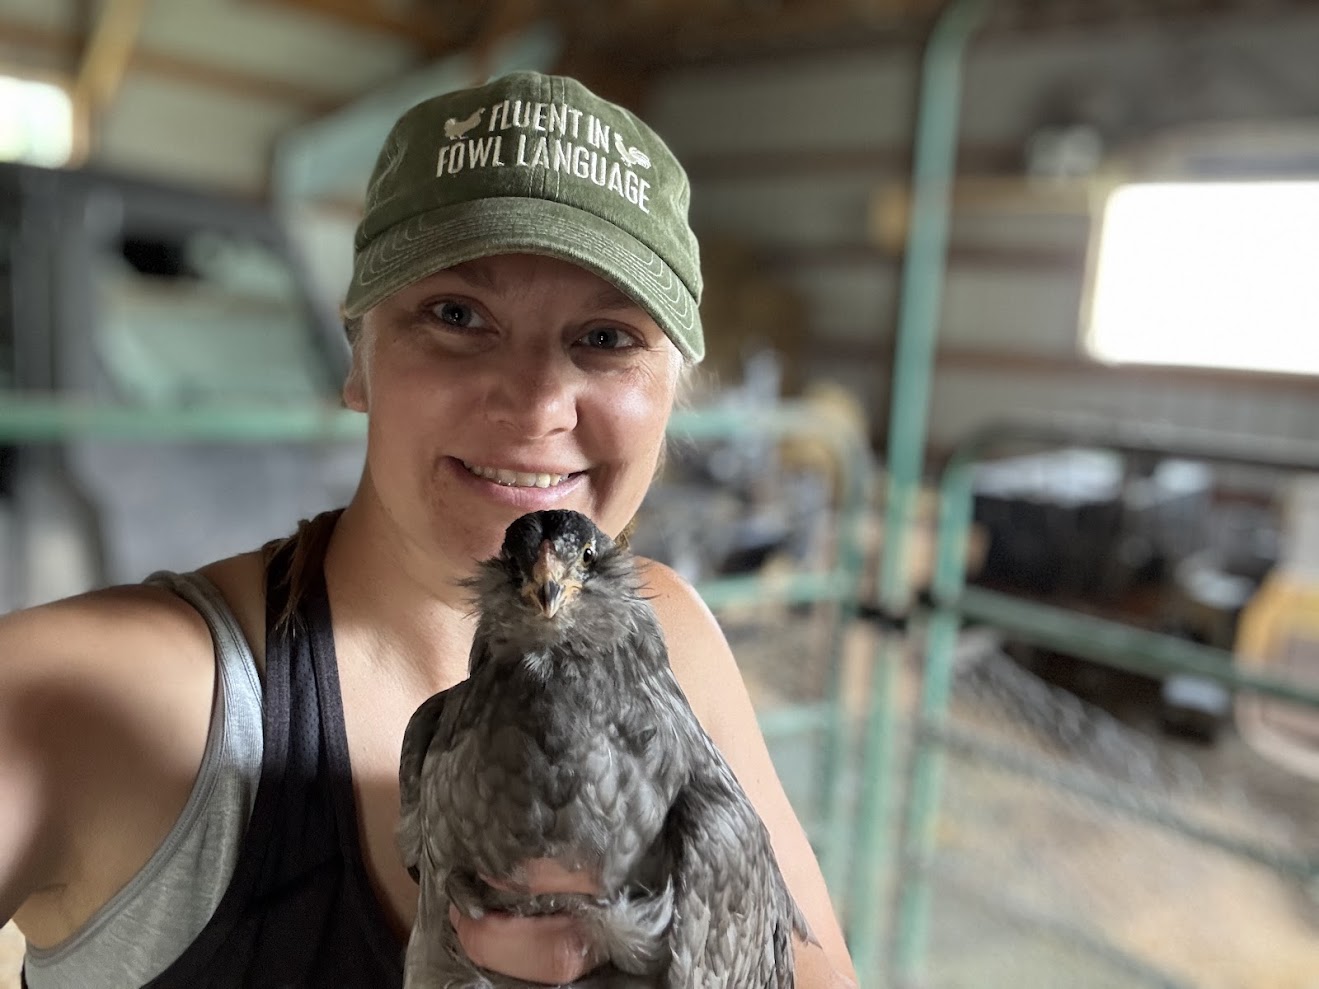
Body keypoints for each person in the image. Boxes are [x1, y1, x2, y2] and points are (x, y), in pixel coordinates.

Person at [0, 70, 858, 988]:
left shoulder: (677, 636)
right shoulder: (101, 696)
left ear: (670, 394)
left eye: (606, 336)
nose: (535, 405)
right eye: (457, 315)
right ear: (359, 356)